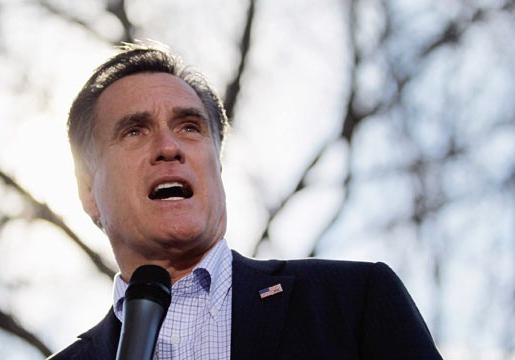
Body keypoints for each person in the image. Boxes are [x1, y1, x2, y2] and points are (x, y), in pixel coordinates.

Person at [49, 42, 442, 359]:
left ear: (216, 167)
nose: (168, 147)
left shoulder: (354, 302)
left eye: (190, 127)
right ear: (88, 192)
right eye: (135, 131)